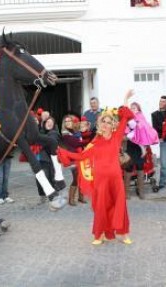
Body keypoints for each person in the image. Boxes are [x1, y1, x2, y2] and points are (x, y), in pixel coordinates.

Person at [58, 90, 135, 245]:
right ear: (100, 124)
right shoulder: (95, 142)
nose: (106, 124)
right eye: (103, 121)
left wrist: (125, 99)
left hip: (115, 179)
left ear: (113, 124)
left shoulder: (116, 137)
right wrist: (63, 152)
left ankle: (124, 233)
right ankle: (100, 234)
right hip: (101, 179)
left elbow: (125, 117)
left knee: (120, 205)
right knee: (101, 206)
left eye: (109, 122)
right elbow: (81, 157)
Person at [35, 116, 60, 204]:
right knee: (39, 178)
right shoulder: (40, 132)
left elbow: (50, 142)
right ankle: (42, 196)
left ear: (53, 125)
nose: (49, 123)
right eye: (47, 122)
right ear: (44, 123)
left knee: (50, 177)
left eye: (51, 122)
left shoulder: (54, 133)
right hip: (39, 159)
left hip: (50, 160)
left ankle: (53, 195)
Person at [61, 114, 85, 206]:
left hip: (81, 156)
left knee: (82, 177)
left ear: (72, 122)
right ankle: (71, 199)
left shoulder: (76, 131)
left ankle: (81, 197)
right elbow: (76, 144)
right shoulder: (65, 133)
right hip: (72, 158)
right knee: (76, 177)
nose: (67, 123)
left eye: (69, 121)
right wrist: (86, 141)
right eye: (66, 121)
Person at [151, 95, 166, 189]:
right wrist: (161, 135)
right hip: (163, 139)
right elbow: (155, 128)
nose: (161, 103)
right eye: (160, 101)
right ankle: (162, 182)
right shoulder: (154, 114)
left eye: (163, 101)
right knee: (164, 163)